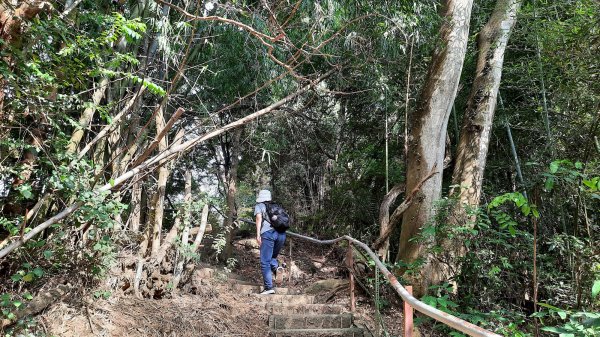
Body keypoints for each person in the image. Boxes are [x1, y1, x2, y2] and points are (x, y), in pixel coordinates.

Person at [254, 189, 286, 294]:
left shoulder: (259, 206)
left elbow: (259, 219)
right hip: (281, 234)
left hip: (268, 234)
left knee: (265, 261)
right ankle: (277, 268)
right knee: (272, 257)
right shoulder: (276, 206)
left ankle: (268, 288)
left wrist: (258, 234)